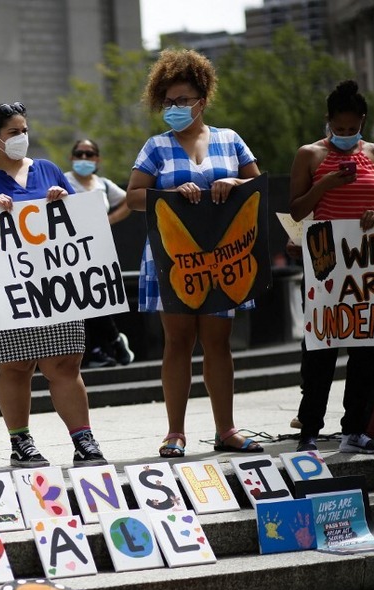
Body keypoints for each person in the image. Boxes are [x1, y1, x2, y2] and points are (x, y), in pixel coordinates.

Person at [0, 101, 108, 468]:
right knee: (16, 367)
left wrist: (64, 201)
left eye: (24, 130)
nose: (22, 138)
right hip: (0, 292)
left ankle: (84, 440)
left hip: (53, 288)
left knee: (64, 365)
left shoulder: (49, 170)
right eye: (12, 132)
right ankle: (21, 442)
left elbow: (76, 221)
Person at [125, 49, 263, 458]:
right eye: (168, 102)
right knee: (177, 342)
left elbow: (258, 187)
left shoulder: (230, 140)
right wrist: (168, 193)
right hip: (173, 258)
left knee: (219, 343)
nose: (175, 108)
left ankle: (227, 429)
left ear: (202, 99)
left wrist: (234, 183)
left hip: (225, 257)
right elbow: (133, 197)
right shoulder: (156, 146)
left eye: (183, 100)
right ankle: (175, 433)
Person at [289, 79, 374, 453]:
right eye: (340, 129)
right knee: (320, 350)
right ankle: (310, 431)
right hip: (325, 262)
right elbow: (298, 210)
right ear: (328, 121)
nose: (347, 135)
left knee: (365, 351)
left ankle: (354, 429)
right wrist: (327, 184)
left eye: (353, 129)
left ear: (362, 121)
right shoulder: (310, 155)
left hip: (366, 263)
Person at [63, 138, 135, 368]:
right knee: (83, 297)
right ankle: (110, 342)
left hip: (98, 248)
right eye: (79, 154)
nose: (84, 159)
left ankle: (103, 347)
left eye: (89, 154)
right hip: (70, 251)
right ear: (72, 158)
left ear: (97, 159)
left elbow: (129, 200)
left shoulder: (102, 183)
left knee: (98, 297)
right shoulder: (63, 180)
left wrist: (110, 220)